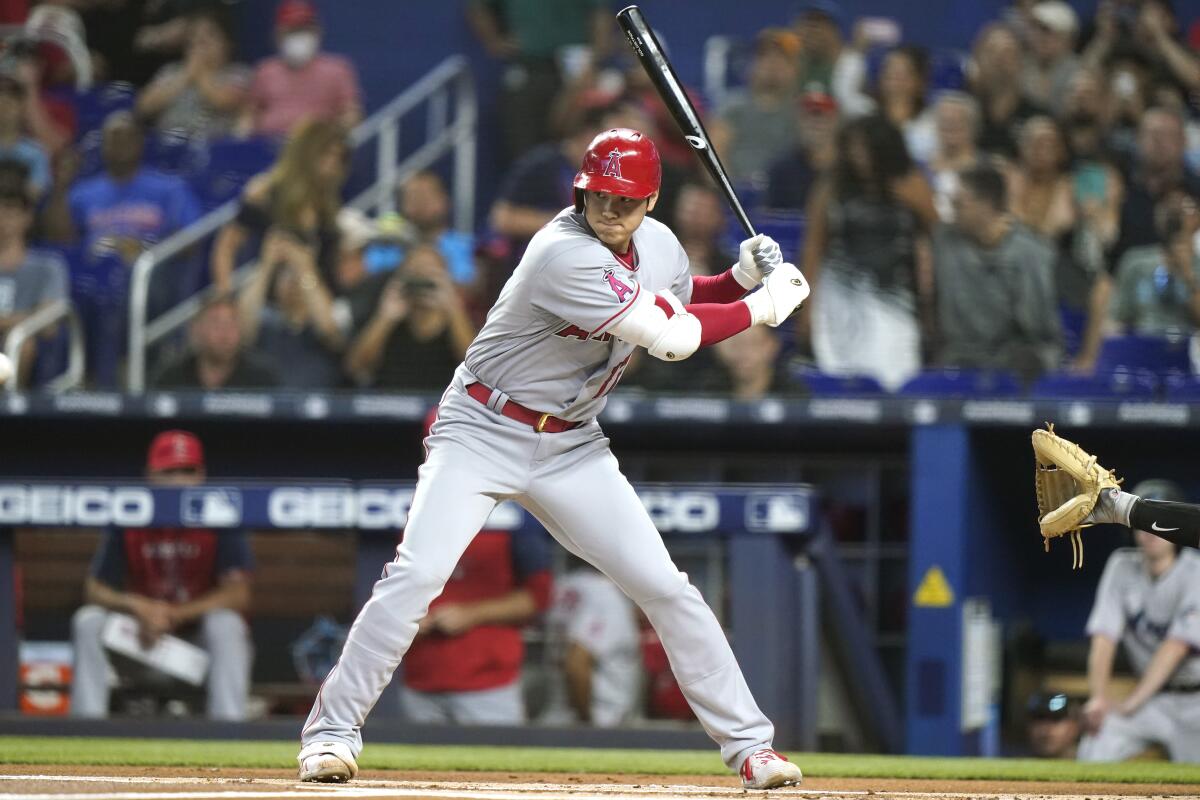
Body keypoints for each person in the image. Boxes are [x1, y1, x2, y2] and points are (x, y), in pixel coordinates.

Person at [295, 127, 808, 787]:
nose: (610, 209)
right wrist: (764, 305)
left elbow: (680, 297)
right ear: (580, 190)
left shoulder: (659, 245)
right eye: (599, 195)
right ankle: (330, 735)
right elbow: (674, 338)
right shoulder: (560, 254)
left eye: (625, 199)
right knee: (417, 576)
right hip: (482, 423)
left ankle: (752, 748)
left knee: (666, 587)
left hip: (570, 440)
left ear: (650, 200)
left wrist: (737, 278)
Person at [70, 430, 254, 721]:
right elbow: (94, 589)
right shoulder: (128, 515)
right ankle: (85, 728)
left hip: (195, 649)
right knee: (88, 621)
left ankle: (228, 730)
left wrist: (176, 614)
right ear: (150, 476)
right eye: (169, 472)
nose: (179, 480)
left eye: (188, 471)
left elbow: (238, 593)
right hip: (142, 644)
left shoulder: (220, 515)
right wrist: (137, 607)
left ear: (202, 475)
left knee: (227, 624)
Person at [401, 409, 553, 725]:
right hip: (419, 678)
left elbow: (539, 597)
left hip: (488, 682)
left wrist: (472, 614)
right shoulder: (406, 508)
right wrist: (409, 619)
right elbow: (387, 590)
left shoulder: (513, 507)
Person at [802, 114, 937, 390]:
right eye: (852, 148)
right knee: (842, 378)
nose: (858, 156)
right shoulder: (832, 186)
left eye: (864, 148)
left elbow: (937, 231)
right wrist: (805, 305)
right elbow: (814, 246)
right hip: (840, 293)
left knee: (896, 377)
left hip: (896, 296)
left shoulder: (910, 182)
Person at [1077, 478, 1200, 763]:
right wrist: (1100, 698)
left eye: (1156, 523)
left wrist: (1131, 703)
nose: (1150, 533)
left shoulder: (1195, 569)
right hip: (1154, 702)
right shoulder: (1121, 565)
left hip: (1195, 702)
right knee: (1100, 737)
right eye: (1143, 524)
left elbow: (1176, 647)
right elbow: (1104, 637)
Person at [1074, 108, 1200, 372]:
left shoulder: (1195, 189)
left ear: (1183, 142)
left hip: (1191, 282)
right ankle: (1094, 365)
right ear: (1138, 141)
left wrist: (1187, 267)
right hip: (1134, 283)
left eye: (1167, 136)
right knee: (1103, 289)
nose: (1158, 143)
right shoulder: (1123, 193)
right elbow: (1109, 266)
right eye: (1152, 135)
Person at [933, 163, 1061, 378]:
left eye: (958, 204)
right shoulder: (946, 240)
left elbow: (1040, 330)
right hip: (959, 359)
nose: (952, 211)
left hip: (1016, 360)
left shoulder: (1029, 253)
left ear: (986, 205)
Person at [465, 0, 611, 165]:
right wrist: (495, 42)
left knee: (582, 144)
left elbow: (601, 12)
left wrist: (596, 62)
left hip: (577, 68)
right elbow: (478, 7)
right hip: (530, 67)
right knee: (526, 149)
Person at [210, 119, 349, 293]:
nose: (332, 165)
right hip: (268, 299)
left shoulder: (329, 208)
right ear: (306, 154)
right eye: (326, 155)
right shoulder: (266, 195)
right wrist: (225, 296)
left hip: (315, 302)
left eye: (339, 158)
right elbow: (226, 245)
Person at [56, 112, 202, 263]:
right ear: (103, 145)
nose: (121, 143)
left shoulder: (171, 189)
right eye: (114, 137)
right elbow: (59, 238)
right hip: (96, 271)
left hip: (150, 273)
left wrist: (145, 248)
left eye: (128, 137)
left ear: (140, 142)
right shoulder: (83, 192)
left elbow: (191, 240)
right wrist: (61, 186)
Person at [343, 245, 475, 391]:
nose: (422, 279)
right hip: (391, 404)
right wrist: (385, 317)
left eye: (431, 274)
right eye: (415, 272)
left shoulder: (456, 323)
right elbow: (355, 367)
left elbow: (475, 369)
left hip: (443, 407)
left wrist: (453, 309)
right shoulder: (391, 318)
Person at [238, 229, 346, 389]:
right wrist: (266, 265)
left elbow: (329, 329)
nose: (294, 283)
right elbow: (241, 327)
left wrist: (305, 269)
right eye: (287, 275)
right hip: (269, 408)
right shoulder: (267, 320)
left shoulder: (326, 315)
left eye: (297, 277)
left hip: (319, 408)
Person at [239, 0, 362, 138]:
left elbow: (351, 114)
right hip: (269, 148)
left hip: (316, 149)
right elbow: (249, 114)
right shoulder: (265, 70)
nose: (299, 36)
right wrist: (242, 138)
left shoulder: (338, 69)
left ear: (317, 32)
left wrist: (331, 137)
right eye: (292, 31)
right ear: (278, 35)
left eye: (304, 30)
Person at [539, 565, 641, 728]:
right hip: (598, 721)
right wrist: (586, 721)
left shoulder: (566, 584)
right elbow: (577, 664)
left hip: (556, 716)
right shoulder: (604, 596)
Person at [135, 9, 249, 140]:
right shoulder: (170, 71)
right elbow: (143, 107)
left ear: (228, 44)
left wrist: (200, 74)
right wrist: (185, 76)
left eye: (210, 35)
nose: (201, 41)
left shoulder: (238, 73)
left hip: (214, 148)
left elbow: (224, 101)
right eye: (194, 36)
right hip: (169, 145)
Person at [708, 29, 800, 187]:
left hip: (785, 196)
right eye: (765, 57)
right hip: (736, 193)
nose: (773, 64)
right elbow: (713, 154)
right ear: (752, 65)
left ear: (794, 69)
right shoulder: (733, 106)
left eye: (781, 59)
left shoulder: (801, 112)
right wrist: (731, 191)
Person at [0, 180, 67, 387]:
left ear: (27, 217)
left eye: (9, 209)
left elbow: (48, 324)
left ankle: (12, 409)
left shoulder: (48, 267)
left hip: (18, 347)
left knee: (23, 343)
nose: (1, 217)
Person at [1109, 195, 1200, 338]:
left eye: (1184, 211)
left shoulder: (1197, 266)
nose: (1176, 219)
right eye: (1169, 212)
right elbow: (1116, 319)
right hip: (1142, 346)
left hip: (1185, 349)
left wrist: (1188, 276)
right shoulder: (1136, 262)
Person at [152, 294, 279, 390]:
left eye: (231, 323)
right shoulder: (172, 377)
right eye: (215, 323)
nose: (225, 332)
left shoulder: (262, 377)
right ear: (197, 329)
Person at [969, 23, 1044, 158]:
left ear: (1021, 62)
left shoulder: (1037, 117)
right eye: (992, 52)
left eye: (1007, 52)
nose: (999, 60)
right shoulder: (964, 111)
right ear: (977, 60)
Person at [396, 171, 477, 290]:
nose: (419, 204)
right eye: (412, 197)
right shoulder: (390, 247)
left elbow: (467, 288)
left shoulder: (468, 247)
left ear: (445, 200)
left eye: (425, 196)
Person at [792, 2, 872, 118]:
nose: (809, 32)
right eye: (806, 24)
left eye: (817, 24)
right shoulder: (795, 65)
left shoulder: (852, 65)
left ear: (834, 30)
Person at [764, 90, 839, 211]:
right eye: (808, 117)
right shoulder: (781, 168)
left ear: (835, 121)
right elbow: (772, 218)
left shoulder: (847, 167)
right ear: (798, 121)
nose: (815, 123)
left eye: (822, 117)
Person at [1008, 116, 1076, 243]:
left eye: (1049, 145)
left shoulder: (1070, 186)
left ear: (1061, 151)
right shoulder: (1006, 180)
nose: (1041, 151)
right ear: (1021, 148)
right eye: (1035, 143)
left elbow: (1064, 224)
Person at [926, 92, 984, 222]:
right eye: (944, 121)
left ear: (973, 126)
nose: (949, 125)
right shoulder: (920, 168)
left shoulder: (987, 169)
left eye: (957, 121)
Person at [874, 46, 935, 164]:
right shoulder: (865, 119)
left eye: (903, 74)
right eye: (889, 72)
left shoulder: (932, 126)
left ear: (921, 82)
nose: (894, 80)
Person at [711, 325, 806, 400]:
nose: (744, 352)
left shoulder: (793, 396)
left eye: (753, 343)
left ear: (772, 345)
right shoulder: (708, 391)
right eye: (735, 344)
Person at [1022, 2, 1081, 110]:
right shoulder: (1020, 65)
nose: (1039, 36)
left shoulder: (1078, 73)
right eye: (1034, 29)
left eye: (1046, 31)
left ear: (1067, 39)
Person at [0, 71, 49, 198]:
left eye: (11, 102)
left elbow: (35, 195)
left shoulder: (36, 153)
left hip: (18, 215)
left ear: (22, 107)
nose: (4, 106)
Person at [1027, 692, 1083, 759]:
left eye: (1055, 719)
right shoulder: (1014, 760)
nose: (1044, 730)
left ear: (1075, 725)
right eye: (1038, 719)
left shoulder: (1094, 759)